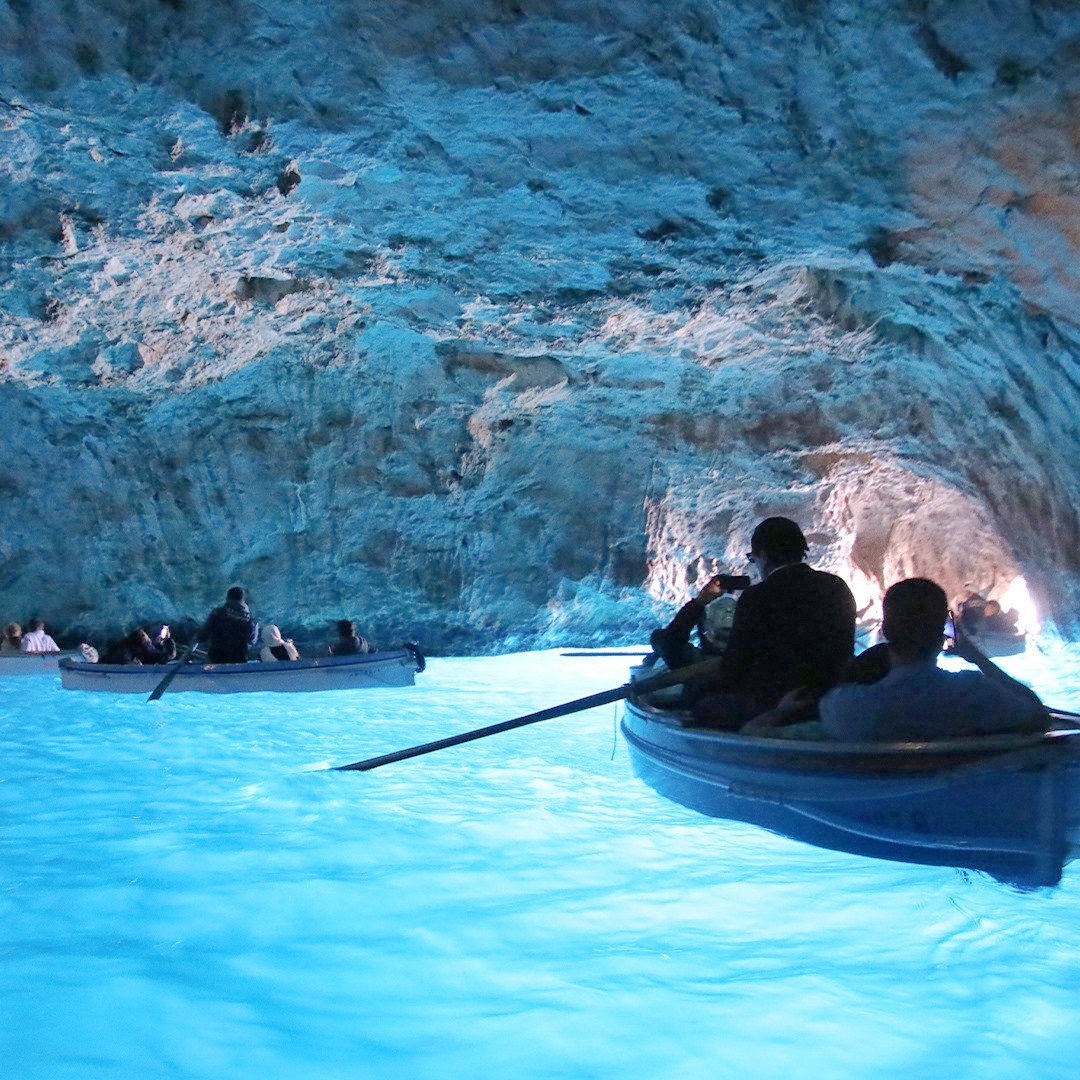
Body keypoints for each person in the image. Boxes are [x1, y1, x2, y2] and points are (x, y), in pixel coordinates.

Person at [817, 578, 1047, 741]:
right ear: (942, 634)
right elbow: (1038, 715)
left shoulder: (846, 707)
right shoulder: (973, 692)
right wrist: (978, 658)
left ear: (885, 630)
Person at [687, 517, 856, 729]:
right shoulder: (838, 587)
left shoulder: (756, 598)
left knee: (700, 700)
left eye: (752, 558)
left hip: (770, 704)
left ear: (764, 555)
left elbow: (734, 669)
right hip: (828, 700)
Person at [650, 573, 746, 670]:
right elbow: (669, 643)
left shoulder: (752, 655)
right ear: (706, 623)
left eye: (734, 609)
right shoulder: (694, 661)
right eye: (720, 607)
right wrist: (700, 602)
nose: (729, 611)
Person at [199, 586, 259, 664]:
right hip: (239, 661)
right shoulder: (252, 620)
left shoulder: (217, 613)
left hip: (215, 659)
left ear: (227, 598)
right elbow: (252, 641)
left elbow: (202, 636)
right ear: (243, 600)